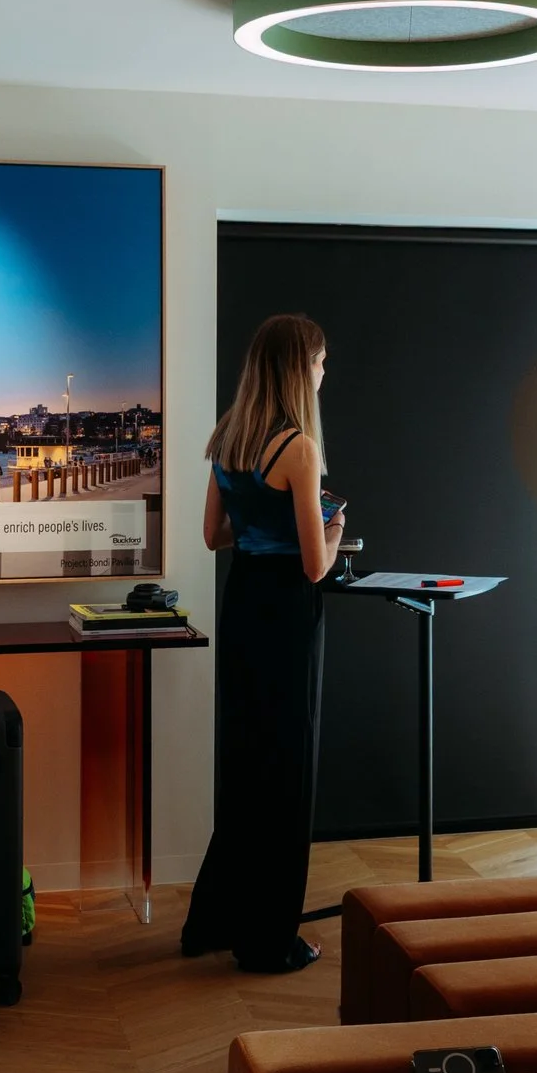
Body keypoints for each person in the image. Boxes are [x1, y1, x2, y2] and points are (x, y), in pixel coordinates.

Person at [180, 314, 346, 971]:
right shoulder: (299, 448)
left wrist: (263, 526)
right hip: (285, 611)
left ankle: (213, 921)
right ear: (299, 368)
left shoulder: (228, 440)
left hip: (243, 603)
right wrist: (335, 530)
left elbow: (213, 536)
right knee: (287, 774)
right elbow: (312, 564)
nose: (325, 373)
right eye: (321, 361)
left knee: (246, 769)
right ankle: (269, 940)